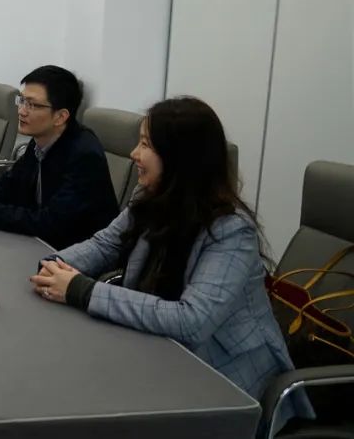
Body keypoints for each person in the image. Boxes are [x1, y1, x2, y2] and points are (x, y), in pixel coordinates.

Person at [28, 96, 312, 431]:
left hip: (226, 380)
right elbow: (105, 244)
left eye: (146, 145)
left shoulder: (231, 231)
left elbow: (191, 320)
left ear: (180, 158)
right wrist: (54, 265)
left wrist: (83, 291)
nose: (134, 153)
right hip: (158, 353)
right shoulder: (150, 197)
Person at [0, 65, 119, 249]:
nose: (21, 111)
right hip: (38, 244)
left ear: (60, 116)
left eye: (32, 105)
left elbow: (50, 223)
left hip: (71, 255)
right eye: (22, 100)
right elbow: (11, 184)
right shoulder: (41, 139)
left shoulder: (85, 155)